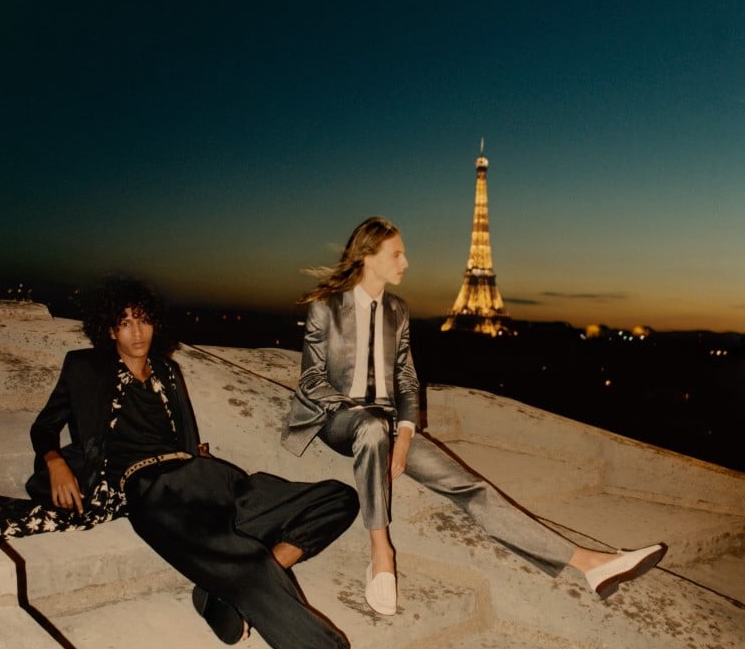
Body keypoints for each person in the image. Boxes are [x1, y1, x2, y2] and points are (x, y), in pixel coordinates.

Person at [0, 276, 450, 649]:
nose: (135, 332)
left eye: (142, 319)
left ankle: (224, 587)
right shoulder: (84, 368)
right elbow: (45, 426)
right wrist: (55, 460)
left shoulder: (166, 370)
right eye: (123, 323)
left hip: (208, 477)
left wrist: (197, 456)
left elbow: (185, 438)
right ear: (109, 330)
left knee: (337, 498)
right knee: (246, 566)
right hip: (153, 491)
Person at [282, 216, 667, 615]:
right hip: (340, 420)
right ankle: (381, 554)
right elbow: (311, 380)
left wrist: (406, 435)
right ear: (367, 256)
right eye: (397, 254)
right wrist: (367, 419)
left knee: (470, 486)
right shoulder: (326, 306)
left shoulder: (397, 309)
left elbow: (407, 378)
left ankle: (590, 564)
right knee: (370, 426)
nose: (406, 262)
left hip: (390, 423)